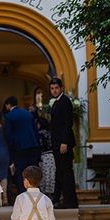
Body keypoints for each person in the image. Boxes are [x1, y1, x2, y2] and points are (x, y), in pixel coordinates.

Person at [49, 78, 79, 209]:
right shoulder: (57, 102)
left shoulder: (65, 101)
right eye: (52, 88)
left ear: (61, 88)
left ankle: (70, 201)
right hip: (57, 143)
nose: (54, 90)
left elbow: (67, 123)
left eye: (56, 88)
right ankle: (59, 199)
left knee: (65, 172)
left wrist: (64, 142)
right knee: (61, 171)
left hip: (63, 143)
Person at [3, 96, 40, 194]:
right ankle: (35, 193)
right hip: (32, 146)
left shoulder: (9, 116)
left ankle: (24, 194)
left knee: (21, 172)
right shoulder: (28, 114)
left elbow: (8, 135)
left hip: (19, 147)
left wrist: (10, 150)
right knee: (33, 171)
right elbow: (35, 131)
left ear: (8, 105)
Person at [36, 116, 56, 197]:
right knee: (51, 174)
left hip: (44, 156)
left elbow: (40, 145)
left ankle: (44, 192)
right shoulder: (51, 132)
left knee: (44, 174)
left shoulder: (40, 134)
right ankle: (52, 192)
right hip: (52, 155)